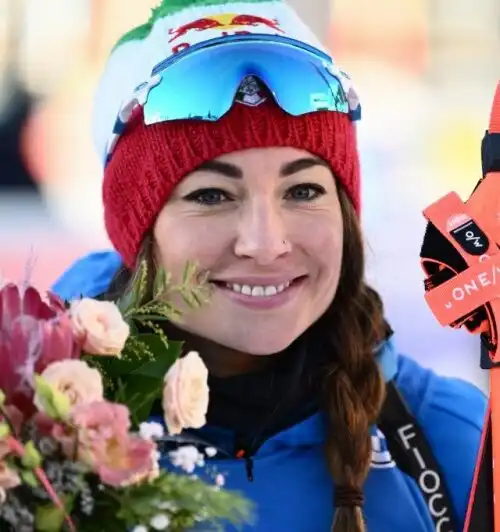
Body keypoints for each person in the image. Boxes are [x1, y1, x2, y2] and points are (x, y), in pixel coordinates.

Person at [52, 1, 487, 531]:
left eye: (303, 190)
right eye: (212, 195)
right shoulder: (33, 440)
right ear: (137, 232)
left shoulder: (452, 441)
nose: (265, 243)